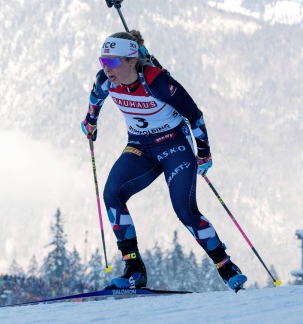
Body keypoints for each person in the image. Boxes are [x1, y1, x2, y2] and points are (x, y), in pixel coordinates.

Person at [81, 30, 248, 291]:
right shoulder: (106, 81)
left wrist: (203, 152)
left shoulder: (158, 82)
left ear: (131, 60)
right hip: (140, 148)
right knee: (112, 195)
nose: (106, 68)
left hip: (174, 147)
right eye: (102, 61)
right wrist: (90, 122)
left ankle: (226, 266)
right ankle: (134, 270)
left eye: (112, 62)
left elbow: (195, 116)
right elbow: (95, 100)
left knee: (185, 210)